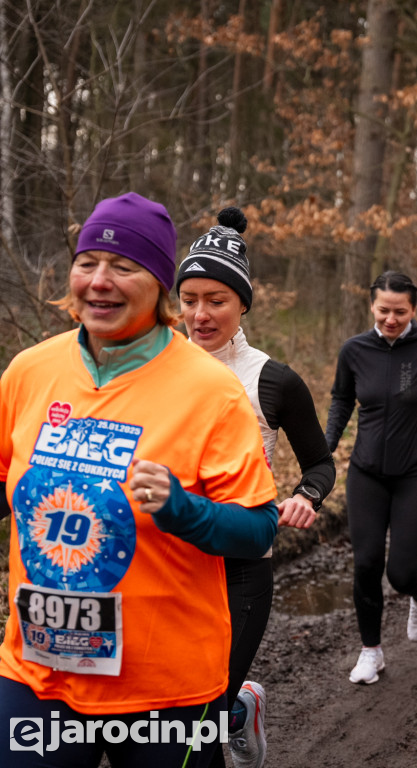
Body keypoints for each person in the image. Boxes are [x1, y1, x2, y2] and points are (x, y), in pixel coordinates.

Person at [0, 192, 278, 767]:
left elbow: (256, 531)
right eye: (87, 263)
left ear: (159, 287)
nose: (100, 280)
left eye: (124, 267)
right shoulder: (30, 372)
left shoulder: (211, 390)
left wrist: (182, 508)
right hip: (37, 672)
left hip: (167, 689)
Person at [176, 207, 336, 768]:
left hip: (243, 562)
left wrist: (304, 497)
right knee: (168, 718)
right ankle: (239, 709)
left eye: (216, 300)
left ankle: (228, 707)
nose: (200, 314)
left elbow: (320, 463)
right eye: (189, 299)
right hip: (168, 567)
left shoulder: (273, 379)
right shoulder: (149, 370)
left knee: (194, 730)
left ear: (242, 303)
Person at [325, 271, 417, 685]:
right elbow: (340, 399)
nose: (391, 318)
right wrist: (325, 447)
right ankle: (371, 652)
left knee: (400, 572)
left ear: (414, 310)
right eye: (384, 310)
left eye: (400, 311)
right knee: (366, 563)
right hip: (366, 471)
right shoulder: (354, 350)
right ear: (372, 306)